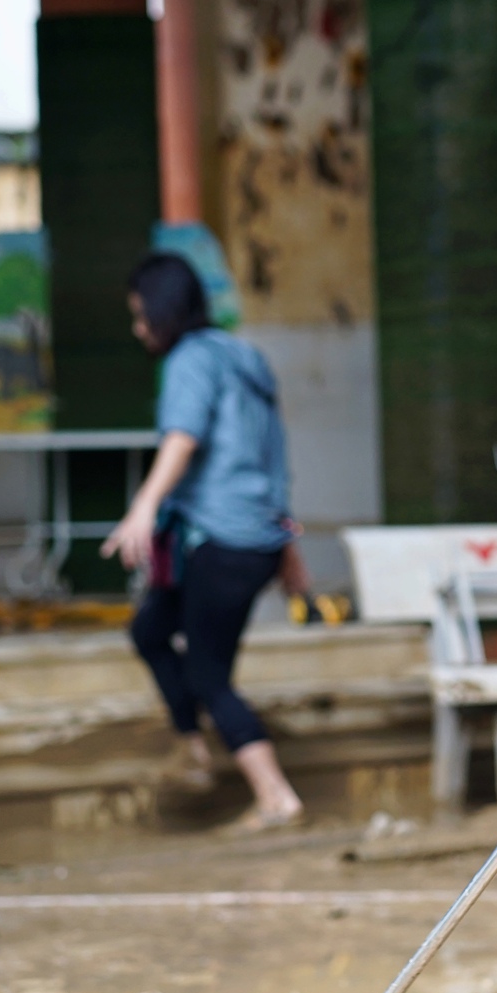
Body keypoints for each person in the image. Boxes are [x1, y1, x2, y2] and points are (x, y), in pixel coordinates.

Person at [101, 252, 306, 834]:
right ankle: (193, 749)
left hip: (225, 541)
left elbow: (182, 438)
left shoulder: (190, 360)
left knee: (210, 674)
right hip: (248, 537)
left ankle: (275, 797)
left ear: (164, 312)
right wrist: (287, 540)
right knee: (149, 630)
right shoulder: (243, 355)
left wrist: (141, 508)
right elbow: (271, 454)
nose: (139, 329)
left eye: (142, 316)